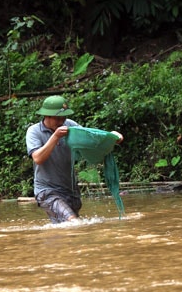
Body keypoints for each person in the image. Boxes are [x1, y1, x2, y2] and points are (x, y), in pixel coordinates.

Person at [26, 95, 123, 223]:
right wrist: (55, 137)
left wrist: (111, 137)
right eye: (58, 118)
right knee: (74, 222)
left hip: (70, 190)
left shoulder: (70, 125)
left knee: (66, 228)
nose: (61, 121)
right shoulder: (34, 131)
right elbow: (37, 158)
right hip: (47, 191)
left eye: (64, 117)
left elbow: (90, 140)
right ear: (47, 116)